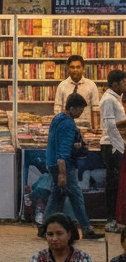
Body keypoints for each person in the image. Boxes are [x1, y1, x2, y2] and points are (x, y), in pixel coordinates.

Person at [46, 93, 101, 239]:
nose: (81, 113)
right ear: (72, 108)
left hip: (52, 163)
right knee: (76, 196)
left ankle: (44, 227)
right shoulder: (68, 124)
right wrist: (62, 174)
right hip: (64, 166)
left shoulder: (57, 118)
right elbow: (63, 151)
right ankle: (86, 228)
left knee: (56, 196)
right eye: (80, 110)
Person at [101, 69, 126, 233]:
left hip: (117, 144)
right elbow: (110, 126)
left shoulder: (117, 98)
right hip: (112, 145)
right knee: (112, 183)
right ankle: (110, 219)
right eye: (124, 82)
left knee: (117, 183)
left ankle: (115, 218)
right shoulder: (108, 99)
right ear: (115, 84)